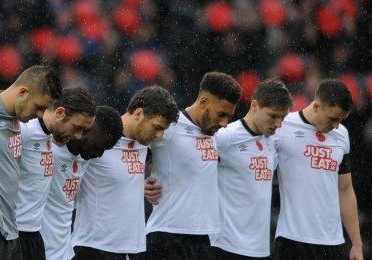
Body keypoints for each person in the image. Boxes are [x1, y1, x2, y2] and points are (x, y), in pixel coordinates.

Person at [0, 65, 61, 260]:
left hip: (9, 227)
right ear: (23, 92)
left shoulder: (17, 119)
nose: (41, 114)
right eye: (39, 107)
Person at [72, 86, 179, 259]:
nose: (159, 136)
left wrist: (139, 186)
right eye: (156, 127)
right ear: (138, 114)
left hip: (134, 248)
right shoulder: (96, 139)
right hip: (94, 248)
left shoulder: (144, 144)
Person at [145, 72, 241, 259]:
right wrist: (138, 185)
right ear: (204, 102)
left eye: (229, 117)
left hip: (204, 238)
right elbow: (129, 151)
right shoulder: (169, 127)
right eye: (221, 114)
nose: (224, 123)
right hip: (167, 235)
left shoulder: (218, 135)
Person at [273, 79, 363, 260]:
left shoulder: (341, 135)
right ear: (316, 106)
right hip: (293, 240)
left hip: (332, 242)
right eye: (333, 118)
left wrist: (356, 244)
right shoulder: (282, 128)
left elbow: (345, 189)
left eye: (341, 120)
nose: (336, 125)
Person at [210, 79, 292, 259]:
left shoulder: (273, 141)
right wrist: (152, 182)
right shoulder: (226, 137)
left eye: (282, 118)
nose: (278, 124)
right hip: (225, 245)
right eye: (273, 115)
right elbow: (191, 163)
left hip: (260, 248)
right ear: (255, 105)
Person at [16, 87, 96, 259]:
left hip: (35, 237)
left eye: (84, 131)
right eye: (77, 127)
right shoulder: (24, 132)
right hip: (14, 234)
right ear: (59, 112)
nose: (79, 135)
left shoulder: (52, 140)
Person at [40, 105, 123, 260]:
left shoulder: (85, 157)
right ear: (85, 130)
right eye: (99, 147)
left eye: (105, 150)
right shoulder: (47, 149)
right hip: (36, 249)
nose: (99, 155)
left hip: (65, 252)